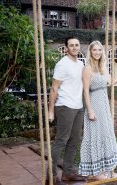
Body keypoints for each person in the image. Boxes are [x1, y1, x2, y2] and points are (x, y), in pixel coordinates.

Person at [78, 40, 117, 181]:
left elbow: (111, 82)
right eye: (94, 50)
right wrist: (90, 111)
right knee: (94, 136)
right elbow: (86, 92)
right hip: (94, 104)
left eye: (99, 50)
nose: (97, 52)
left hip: (104, 104)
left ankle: (100, 169)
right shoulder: (87, 68)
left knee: (104, 134)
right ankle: (94, 172)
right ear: (90, 51)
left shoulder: (103, 68)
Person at [48, 36, 86, 183]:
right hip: (64, 106)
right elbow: (54, 88)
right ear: (66, 48)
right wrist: (51, 110)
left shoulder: (80, 64)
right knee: (61, 140)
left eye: (77, 45)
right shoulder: (62, 64)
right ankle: (52, 175)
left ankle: (68, 173)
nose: (75, 47)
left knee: (74, 140)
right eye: (71, 45)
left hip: (78, 107)